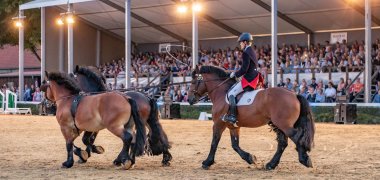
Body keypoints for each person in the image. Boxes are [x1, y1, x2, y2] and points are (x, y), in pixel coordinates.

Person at [222, 32, 260, 126]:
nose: (240, 44)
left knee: (231, 93)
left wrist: (235, 74)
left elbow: (244, 69)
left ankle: (233, 116)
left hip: (249, 79)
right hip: (254, 77)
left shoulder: (246, 52)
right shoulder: (251, 51)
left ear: (245, 42)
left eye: (241, 43)